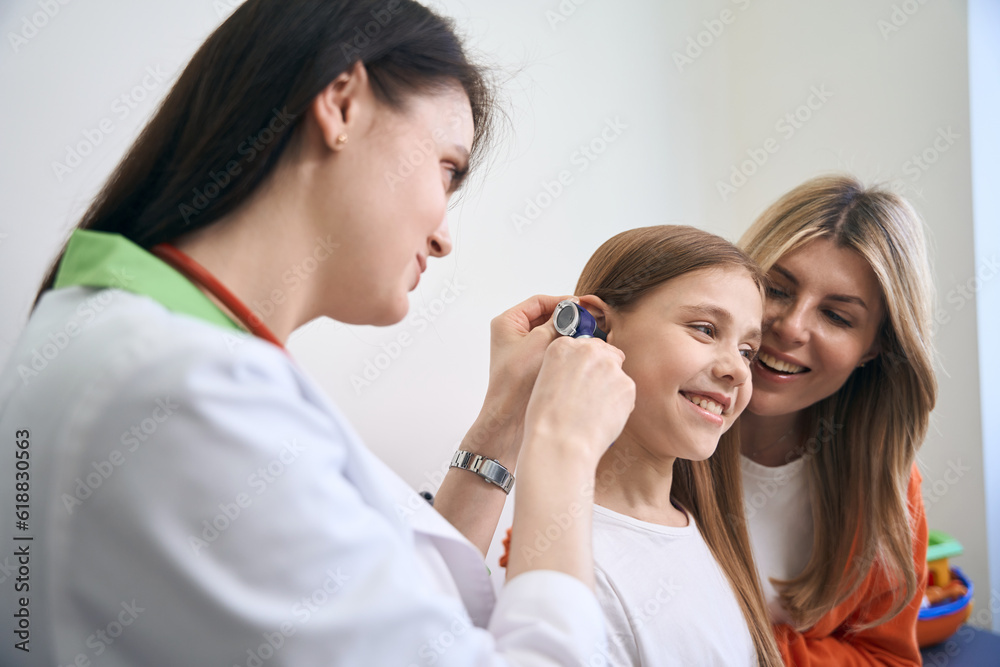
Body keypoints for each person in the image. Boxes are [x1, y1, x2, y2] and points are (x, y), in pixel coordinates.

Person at [0, 1, 637, 665]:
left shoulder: (143, 343)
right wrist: (564, 449)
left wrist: (504, 425)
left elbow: (396, 608)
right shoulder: (184, 391)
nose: (444, 236)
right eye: (448, 169)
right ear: (341, 103)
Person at [502, 225, 784, 666]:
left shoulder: (707, 532)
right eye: (706, 329)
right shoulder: (565, 559)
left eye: (748, 350)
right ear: (597, 327)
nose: (738, 370)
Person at [737, 175, 936, 665]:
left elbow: (887, 659)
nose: (791, 326)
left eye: (837, 316)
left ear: (875, 347)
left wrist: (740, 645)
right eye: (777, 289)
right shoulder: (652, 434)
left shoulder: (888, 488)